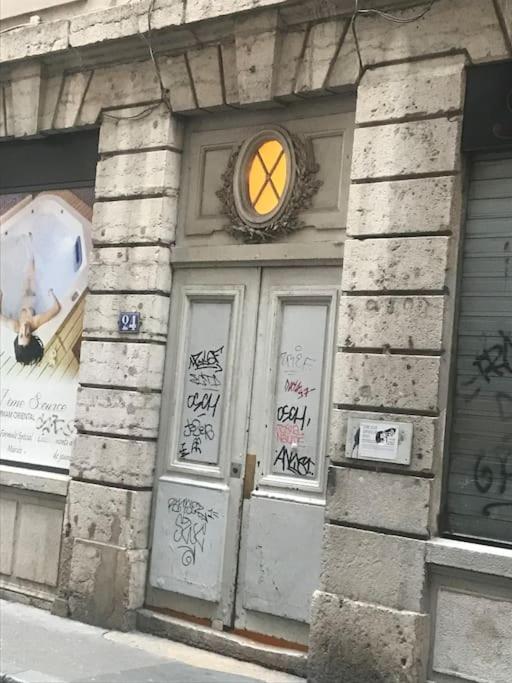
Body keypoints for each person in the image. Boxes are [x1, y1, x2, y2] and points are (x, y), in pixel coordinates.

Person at [0, 247, 61, 365]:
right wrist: (51, 294)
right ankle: (31, 249)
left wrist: (1, 295)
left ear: (17, 336)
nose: (24, 329)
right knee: (30, 270)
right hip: (31, 292)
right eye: (27, 334)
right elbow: (56, 308)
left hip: (20, 294)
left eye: (21, 335)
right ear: (31, 336)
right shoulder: (35, 321)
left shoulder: (15, 326)